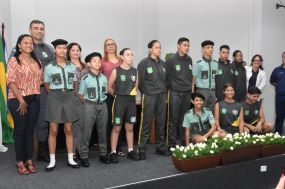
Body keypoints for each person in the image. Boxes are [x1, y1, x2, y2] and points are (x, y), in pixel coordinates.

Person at [9, 20, 55, 162]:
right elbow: (11, 76)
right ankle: (22, 157)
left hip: (43, 91)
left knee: (42, 121)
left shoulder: (49, 49)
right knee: (23, 127)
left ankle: (41, 151)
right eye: (36, 28)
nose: (39, 31)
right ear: (30, 30)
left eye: (42, 28)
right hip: (21, 94)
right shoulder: (18, 50)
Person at [7, 34, 42, 174]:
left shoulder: (37, 61)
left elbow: (40, 81)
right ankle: (20, 162)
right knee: (20, 131)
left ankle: (29, 160)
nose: (29, 44)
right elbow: (10, 81)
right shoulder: (14, 60)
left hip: (34, 100)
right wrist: (21, 100)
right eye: (25, 42)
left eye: (31, 42)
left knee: (29, 131)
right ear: (19, 45)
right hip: (17, 100)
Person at [44, 39, 80, 171]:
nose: (62, 50)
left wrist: (67, 93)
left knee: (69, 129)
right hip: (54, 97)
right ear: (54, 50)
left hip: (69, 96)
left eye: (64, 48)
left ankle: (71, 158)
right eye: (59, 48)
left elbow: (74, 83)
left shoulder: (71, 66)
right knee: (53, 130)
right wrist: (56, 94)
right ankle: (52, 160)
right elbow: (47, 85)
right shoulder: (49, 67)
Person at [137, 40, 170, 160]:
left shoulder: (163, 63)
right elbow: (140, 82)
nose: (159, 50)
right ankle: (141, 148)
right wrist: (146, 92)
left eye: (160, 47)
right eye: (156, 47)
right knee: (146, 122)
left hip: (161, 96)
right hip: (150, 96)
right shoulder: (144, 63)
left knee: (161, 122)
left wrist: (164, 93)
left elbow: (165, 81)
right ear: (150, 49)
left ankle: (160, 147)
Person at [78, 52, 110, 167]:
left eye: (99, 61)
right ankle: (84, 156)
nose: (97, 63)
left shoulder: (104, 78)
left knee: (102, 131)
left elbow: (105, 91)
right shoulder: (85, 79)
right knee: (87, 131)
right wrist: (88, 104)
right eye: (94, 61)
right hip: (89, 106)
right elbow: (81, 94)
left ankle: (103, 154)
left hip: (102, 105)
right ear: (89, 64)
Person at [108, 48, 139, 163]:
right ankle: (113, 152)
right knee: (116, 127)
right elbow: (109, 86)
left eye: (132, 55)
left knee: (130, 127)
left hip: (131, 102)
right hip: (119, 101)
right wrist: (117, 96)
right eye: (127, 54)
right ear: (121, 56)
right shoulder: (116, 71)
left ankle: (130, 150)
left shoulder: (135, 71)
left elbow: (136, 87)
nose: (130, 57)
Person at [165, 37, 193, 147]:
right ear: (178, 46)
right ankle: (171, 144)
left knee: (184, 119)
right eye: (185, 45)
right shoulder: (171, 59)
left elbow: (190, 77)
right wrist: (168, 91)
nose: (187, 47)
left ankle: (184, 142)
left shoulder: (189, 59)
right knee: (173, 119)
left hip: (186, 93)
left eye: (188, 45)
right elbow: (166, 77)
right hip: (175, 93)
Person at [101, 38, 124, 156]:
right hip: (108, 96)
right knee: (109, 121)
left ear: (115, 46)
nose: (110, 46)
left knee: (118, 121)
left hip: (121, 95)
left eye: (112, 44)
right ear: (105, 47)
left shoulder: (121, 60)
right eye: (108, 45)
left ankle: (118, 148)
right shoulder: (102, 61)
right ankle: (109, 148)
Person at [67, 42, 88, 161]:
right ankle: (73, 151)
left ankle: (82, 150)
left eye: (78, 50)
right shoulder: (66, 66)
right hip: (72, 100)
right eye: (73, 50)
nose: (76, 52)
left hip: (85, 101)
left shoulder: (86, 67)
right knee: (74, 128)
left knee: (83, 126)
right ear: (69, 52)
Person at [192, 40, 218, 112]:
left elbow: (217, 80)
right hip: (202, 91)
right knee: (201, 112)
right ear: (203, 50)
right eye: (208, 47)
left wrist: (216, 94)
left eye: (212, 47)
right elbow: (193, 81)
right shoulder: (199, 64)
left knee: (211, 113)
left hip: (213, 92)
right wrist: (193, 95)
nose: (210, 49)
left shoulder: (215, 64)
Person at [270, 51, 285, 134]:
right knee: (279, 117)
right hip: (280, 98)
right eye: (284, 57)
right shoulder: (277, 70)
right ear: (282, 58)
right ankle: (278, 136)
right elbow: (272, 81)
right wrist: (280, 87)